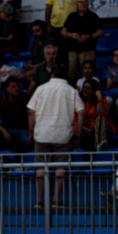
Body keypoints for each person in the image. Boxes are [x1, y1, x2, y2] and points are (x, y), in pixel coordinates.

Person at [28, 65, 83, 208]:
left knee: (40, 168)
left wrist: (31, 130)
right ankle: (56, 201)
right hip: (63, 135)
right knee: (60, 167)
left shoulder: (41, 89)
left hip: (41, 134)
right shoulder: (71, 91)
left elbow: (31, 111)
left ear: (52, 75)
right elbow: (81, 111)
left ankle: (39, 201)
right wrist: (78, 131)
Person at [61, 0, 103, 81]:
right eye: (80, 2)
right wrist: (71, 35)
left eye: (85, 2)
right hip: (73, 51)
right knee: (72, 75)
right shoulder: (71, 16)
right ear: (77, 4)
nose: (83, 4)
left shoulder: (93, 16)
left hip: (88, 50)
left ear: (88, 4)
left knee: (87, 76)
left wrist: (89, 36)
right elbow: (63, 32)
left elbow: (100, 33)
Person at [0, 77, 30, 152]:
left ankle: (17, 158)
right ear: (7, 88)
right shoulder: (1, 99)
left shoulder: (25, 97)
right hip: (6, 128)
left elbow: (31, 115)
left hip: (21, 129)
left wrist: (31, 131)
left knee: (27, 140)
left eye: (17, 86)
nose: (16, 88)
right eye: (13, 87)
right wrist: (4, 131)